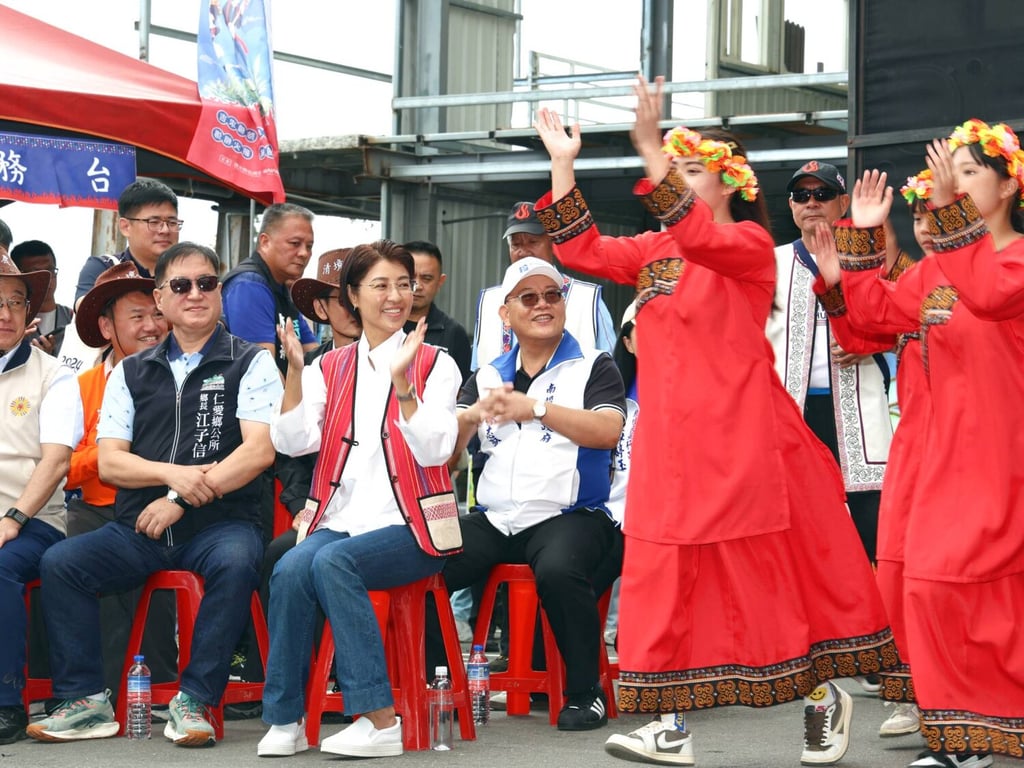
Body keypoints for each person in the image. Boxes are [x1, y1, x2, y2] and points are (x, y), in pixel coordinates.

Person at [533, 78, 897, 767]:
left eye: (689, 168)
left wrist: (649, 148)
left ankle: (823, 698)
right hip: (671, 444)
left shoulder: (750, 246)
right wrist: (562, 163)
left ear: (729, 182)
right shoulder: (654, 253)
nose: (674, 177)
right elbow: (581, 253)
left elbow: (698, 233)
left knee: (769, 586)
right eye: (673, 167)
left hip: (743, 441)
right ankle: (668, 724)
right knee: (659, 581)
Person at [822, 119, 1024, 768]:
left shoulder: (1016, 257)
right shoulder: (938, 269)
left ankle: (979, 729)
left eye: (968, 172)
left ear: (1010, 184)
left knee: (983, 598)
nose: (951, 182)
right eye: (950, 171)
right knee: (923, 590)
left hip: (1003, 455)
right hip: (942, 461)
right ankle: (961, 733)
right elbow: (869, 324)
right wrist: (856, 245)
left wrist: (947, 211)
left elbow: (991, 296)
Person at [28, 242, 282, 747]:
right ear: (161, 299)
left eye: (207, 283)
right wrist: (174, 475)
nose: (196, 294)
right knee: (62, 564)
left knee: (236, 562)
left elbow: (258, 453)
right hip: (140, 526)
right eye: (181, 285)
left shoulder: (251, 362)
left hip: (222, 523)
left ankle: (195, 699)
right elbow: (111, 461)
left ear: (221, 295)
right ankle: (86, 700)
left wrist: (181, 498)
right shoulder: (130, 370)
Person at [258, 240, 462, 759]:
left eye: (404, 284)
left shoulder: (437, 363)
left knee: (331, 563)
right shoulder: (331, 366)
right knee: (288, 568)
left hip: (413, 528)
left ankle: (379, 718)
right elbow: (292, 441)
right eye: (381, 285)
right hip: (343, 519)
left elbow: (438, 447)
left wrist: (404, 388)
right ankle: (285, 717)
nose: (396, 296)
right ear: (353, 295)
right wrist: (297, 373)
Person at [428, 256, 625, 731]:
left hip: (574, 513)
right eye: (529, 297)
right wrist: (467, 418)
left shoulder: (595, 365)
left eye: (552, 295)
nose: (543, 305)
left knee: (559, 569)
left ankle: (584, 692)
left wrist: (535, 407)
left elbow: (607, 431)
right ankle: (439, 683)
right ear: (506, 312)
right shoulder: (486, 376)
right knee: (424, 562)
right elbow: (449, 456)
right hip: (497, 519)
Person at [766, 161, 894, 565]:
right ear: (790, 206)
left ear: (842, 202)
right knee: (795, 531)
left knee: (870, 525)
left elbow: (908, 315)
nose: (811, 203)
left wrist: (872, 338)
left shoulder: (871, 257)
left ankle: (883, 621)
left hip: (857, 406)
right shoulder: (767, 262)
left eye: (822, 195)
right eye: (801, 195)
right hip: (789, 412)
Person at [61, 261, 176, 699]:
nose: (151, 326)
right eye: (137, 317)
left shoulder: (181, 376)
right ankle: (93, 691)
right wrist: (112, 456)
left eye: (156, 314)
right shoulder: (80, 386)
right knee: (78, 549)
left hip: (161, 503)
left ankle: (163, 687)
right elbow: (63, 466)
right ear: (107, 327)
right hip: (97, 507)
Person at [0, 254, 81, 744]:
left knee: (1, 562)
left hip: (35, 520)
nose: (5, 313)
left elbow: (56, 462)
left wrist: (12, 517)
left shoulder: (54, 376)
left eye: (15, 302)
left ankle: (6, 701)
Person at [470, 201, 617, 370]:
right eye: (516, 245)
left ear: (552, 243)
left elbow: (612, 370)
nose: (523, 252)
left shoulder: (587, 299)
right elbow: (477, 371)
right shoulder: (488, 301)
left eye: (532, 242)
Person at [221, 202, 319, 371]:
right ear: (265, 242)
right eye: (295, 243)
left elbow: (315, 355)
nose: (304, 253)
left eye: (309, 246)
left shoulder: (281, 288)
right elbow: (263, 374)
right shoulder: (249, 286)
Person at [73, 179, 181, 304]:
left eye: (172, 222)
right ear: (125, 227)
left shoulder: (189, 271)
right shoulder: (104, 267)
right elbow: (85, 308)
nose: (165, 230)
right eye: (154, 222)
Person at [403, 240, 472, 384]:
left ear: (440, 282)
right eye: (411, 278)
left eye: (426, 278)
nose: (418, 286)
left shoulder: (454, 333)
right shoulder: (381, 327)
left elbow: (463, 393)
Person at [9, 240, 73, 357]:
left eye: (50, 271)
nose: (47, 279)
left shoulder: (73, 319)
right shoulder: (8, 322)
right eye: (37, 274)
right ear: (20, 277)